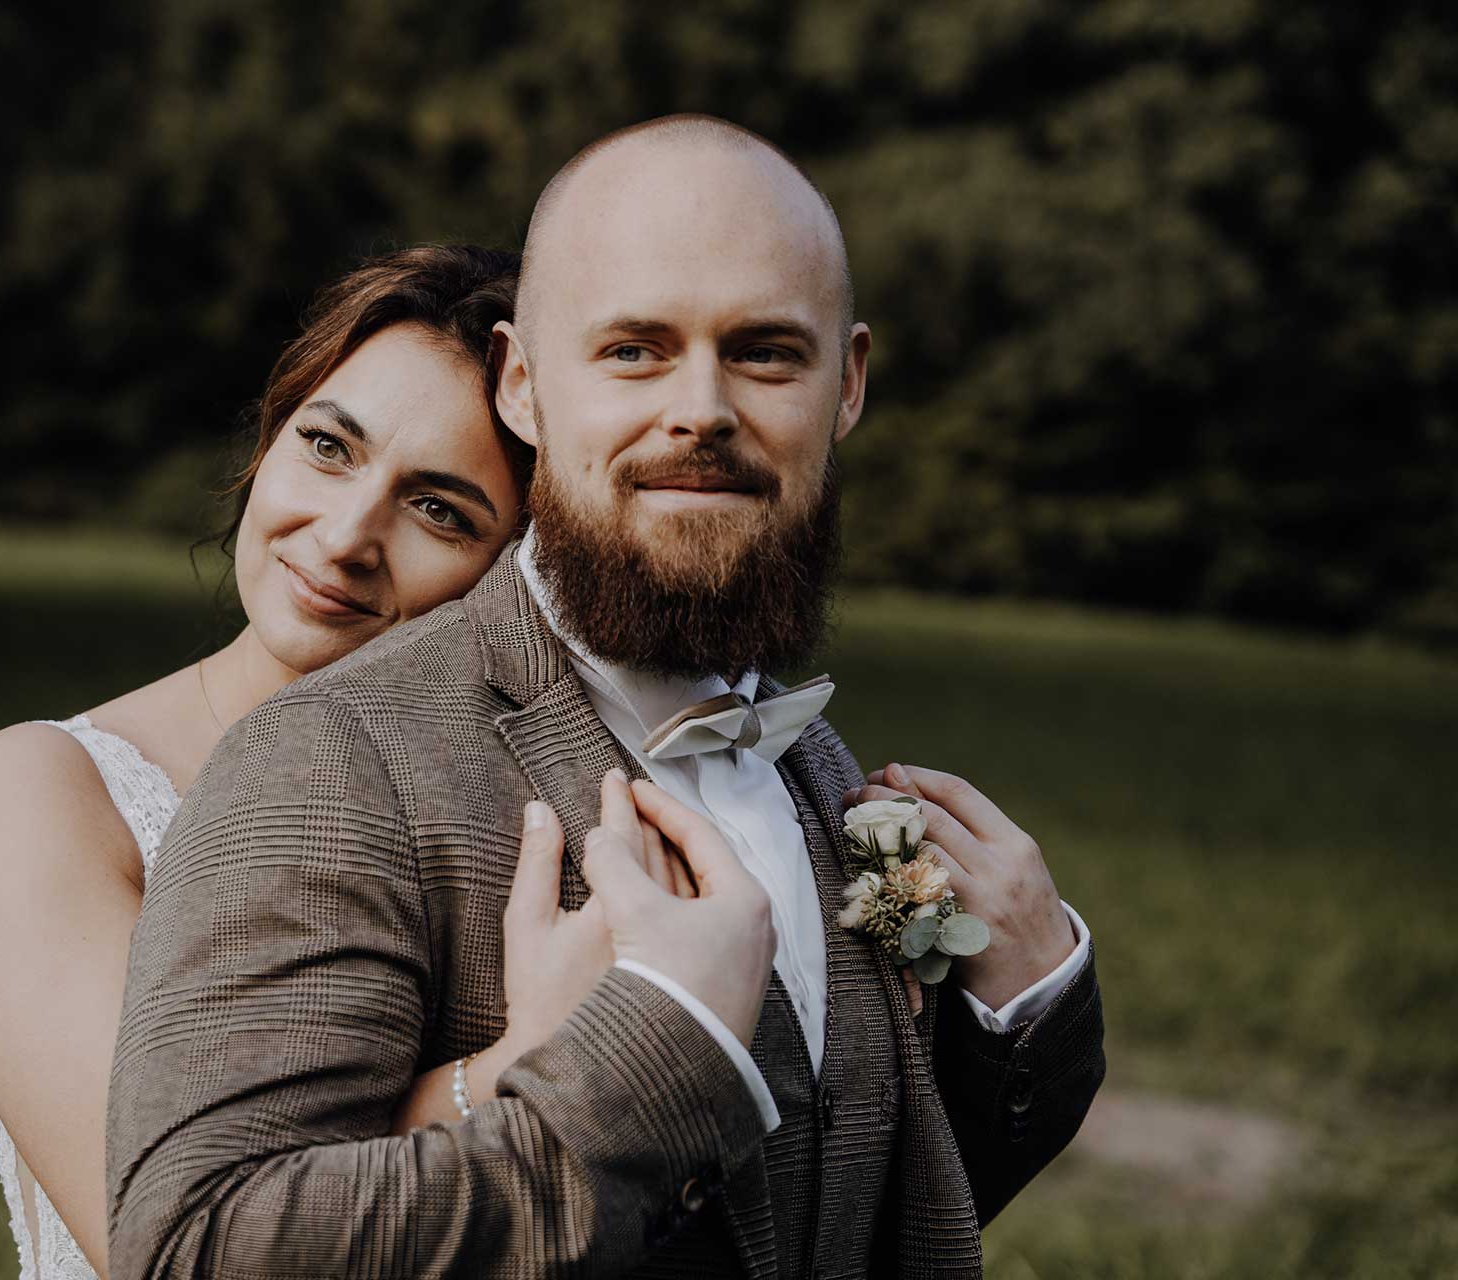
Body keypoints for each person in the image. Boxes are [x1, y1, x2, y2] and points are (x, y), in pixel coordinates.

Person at [107, 115, 1106, 1279]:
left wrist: (1029, 1004)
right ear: (524, 385)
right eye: (634, 350)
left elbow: (855, 1210)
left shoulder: (826, 770)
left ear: (848, 385)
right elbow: (198, 1247)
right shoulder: (332, 763)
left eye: (767, 352)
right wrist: (651, 1058)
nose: (703, 410)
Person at [0, 245, 690, 1280]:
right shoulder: (47, 791)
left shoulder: (536, 817)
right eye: (330, 446)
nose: (343, 537)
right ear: (270, 434)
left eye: (439, 509)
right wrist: (534, 1064)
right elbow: (161, 1219)